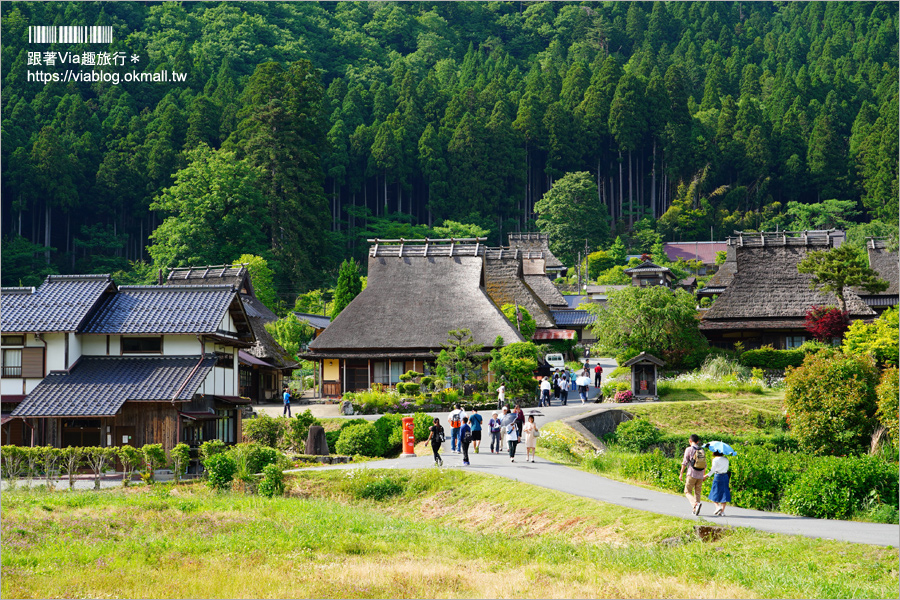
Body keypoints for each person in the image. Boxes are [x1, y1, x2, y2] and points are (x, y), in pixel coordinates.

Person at [679, 434, 707, 515]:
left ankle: (695, 504)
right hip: (700, 475)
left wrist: (681, 473)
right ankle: (695, 510)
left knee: (687, 491)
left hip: (691, 474)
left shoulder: (689, 449)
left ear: (690, 441)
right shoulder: (702, 450)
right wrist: (703, 475)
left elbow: (685, 462)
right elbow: (704, 464)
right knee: (697, 492)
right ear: (698, 442)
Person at [705, 450, 731, 516]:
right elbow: (727, 468)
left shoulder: (715, 459)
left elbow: (713, 470)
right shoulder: (726, 459)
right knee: (724, 493)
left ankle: (717, 507)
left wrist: (706, 476)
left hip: (718, 476)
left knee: (714, 492)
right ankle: (722, 511)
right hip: (725, 476)